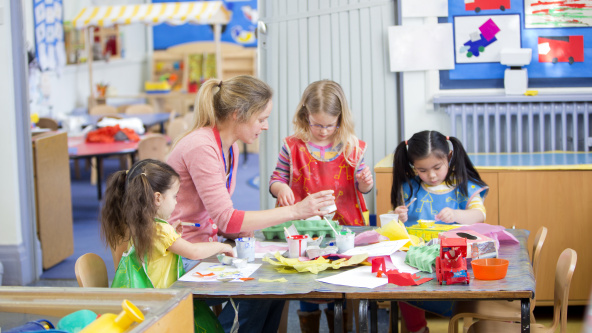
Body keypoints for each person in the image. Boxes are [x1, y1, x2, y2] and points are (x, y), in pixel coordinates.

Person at [166, 75, 336, 333]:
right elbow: (227, 219)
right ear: (238, 114)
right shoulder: (201, 146)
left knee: (277, 280)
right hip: (180, 254)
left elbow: (218, 218)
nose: (265, 126)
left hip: (203, 244)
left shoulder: (228, 147)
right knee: (261, 284)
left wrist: (244, 234)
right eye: (261, 119)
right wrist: (295, 211)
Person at [269, 80, 374, 332]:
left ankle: (340, 325)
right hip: (306, 228)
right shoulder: (292, 146)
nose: (324, 130)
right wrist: (281, 188)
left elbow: (363, 189)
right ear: (305, 115)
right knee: (310, 281)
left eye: (330, 124)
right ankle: (309, 324)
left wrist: (365, 183)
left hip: (345, 227)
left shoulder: (352, 146)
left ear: (341, 118)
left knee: (341, 282)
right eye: (317, 124)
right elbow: (277, 179)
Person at [101, 159, 232, 332]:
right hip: (161, 308)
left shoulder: (138, 224)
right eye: (174, 196)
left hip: (144, 303)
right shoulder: (160, 229)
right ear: (157, 198)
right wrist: (224, 247)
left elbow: (155, 255)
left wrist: (174, 236)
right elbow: (193, 252)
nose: (176, 202)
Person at [390, 130, 489, 333]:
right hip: (418, 257)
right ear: (413, 166)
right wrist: (397, 216)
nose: (432, 175)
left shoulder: (463, 185)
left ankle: (468, 326)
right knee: (405, 285)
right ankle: (417, 329)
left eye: (437, 167)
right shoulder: (409, 188)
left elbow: (479, 215)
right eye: (422, 170)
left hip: (456, 257)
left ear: (449, 157)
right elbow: (400, 225)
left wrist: (456, 214)